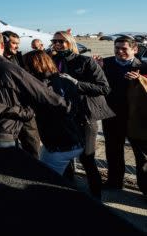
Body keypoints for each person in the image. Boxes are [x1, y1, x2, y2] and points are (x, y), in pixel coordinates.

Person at [0, 31, 68, 150]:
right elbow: (40, 91)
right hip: (3, 132)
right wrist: (66, 105)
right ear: (2, 45)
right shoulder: (11, 69)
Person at [50, 30, 113, 199]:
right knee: (66, 159)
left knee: (87, 159)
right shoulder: (53, 62)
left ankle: (96, 197)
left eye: (61, 41)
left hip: (85, 116)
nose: (57, 44)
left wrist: (77, 83)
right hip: (64, 116)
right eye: (54, 41)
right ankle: (70, 194)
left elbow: (104, 88)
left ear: (70, 42)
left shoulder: (85, 62)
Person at [23, 50, 86, 175]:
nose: (24, 69)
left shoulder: (41, 86)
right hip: (72, 139)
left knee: (47, 180)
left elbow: (29, 111)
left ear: (34, 65)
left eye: (26, 65)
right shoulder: (63, 80)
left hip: (60, 144)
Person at [100, 36, 147, 190]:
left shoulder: (144, 66)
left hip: (137, 118)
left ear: (135, 49)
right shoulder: (104, 64)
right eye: (116, 48)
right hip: (112, 116)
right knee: (113, 151)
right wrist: (95, 67)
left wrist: (141, 79)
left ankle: (145, 189)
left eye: (124, 48)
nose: (119, 51)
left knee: (143, 156)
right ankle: (114, 182)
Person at [2, 31, 40, 158]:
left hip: (24, 111)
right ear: (3, 42)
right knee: (11, 153)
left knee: (33, 148)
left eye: (17, 43)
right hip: (6, 112)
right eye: (13, 43)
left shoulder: (21, 59)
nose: (16, 46)